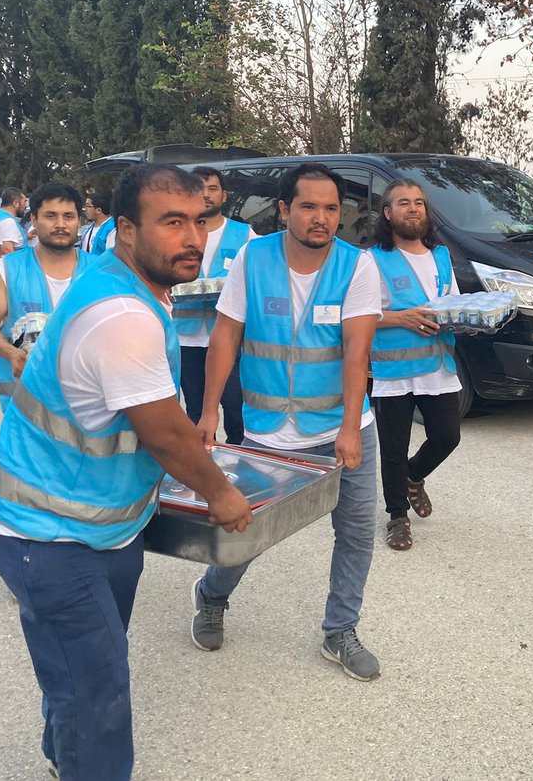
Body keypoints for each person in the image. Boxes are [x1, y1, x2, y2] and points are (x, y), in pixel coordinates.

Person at [0, 164, 253, 780]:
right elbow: (165, 434)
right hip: (47, 533)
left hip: (98, 527)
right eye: (172, 222)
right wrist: (221, 493)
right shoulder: (122, 315)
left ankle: (63, 757)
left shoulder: (120, 278)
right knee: (98, 692)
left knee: (77, 673)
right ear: (126, 229)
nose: (193, 238)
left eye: (200, 221)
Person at [190, 163, 382, 682]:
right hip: (268, 429)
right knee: (246, 532)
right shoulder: (253, 258)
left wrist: (350, 426)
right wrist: (208, 411)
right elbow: (225, 336)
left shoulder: (358, 266)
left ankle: (340, 630)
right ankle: (212, 596)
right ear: (284, 210)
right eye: (309, 206)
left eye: (331, 208)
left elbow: (356, 351)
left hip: (342, 426)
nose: (322, 218)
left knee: (356, 532)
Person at [368, 180, 463, 551]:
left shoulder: (440, 255)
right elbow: (358, 314)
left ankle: (412, 476)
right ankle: (397, 517)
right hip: (394, 371)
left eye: (419, 202)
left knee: (447, 436)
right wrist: (401, 318)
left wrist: (470, 319)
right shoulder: (372, 259)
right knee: (393, 448)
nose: (413, 208)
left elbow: (453, 302)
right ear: (388, 213)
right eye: (404, 203)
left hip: (438, 365)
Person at [0, 183, 96, 412]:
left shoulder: (100, 272)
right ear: (34, 219)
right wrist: (11, 353)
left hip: (89, 409)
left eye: (68, 216)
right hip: (26, 412)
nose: (60, 224)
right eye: (50, 216)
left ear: (78, 221)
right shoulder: (7, 270)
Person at [174, 167, 257, 444]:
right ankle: (200, 462)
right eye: (200, 189)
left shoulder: (245, 235)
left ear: (224, 194)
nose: (206, 195)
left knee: (235, 407)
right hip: (186, 338)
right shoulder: (177, 232)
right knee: (195, 410)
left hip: (229, 339)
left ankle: (239, 458)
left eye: (212, 188)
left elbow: (257, 278)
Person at [0, 186, 28, 259]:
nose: (26, 206)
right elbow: (7, 250)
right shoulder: (8, 222)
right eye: (24, 201)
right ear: (16, 203)